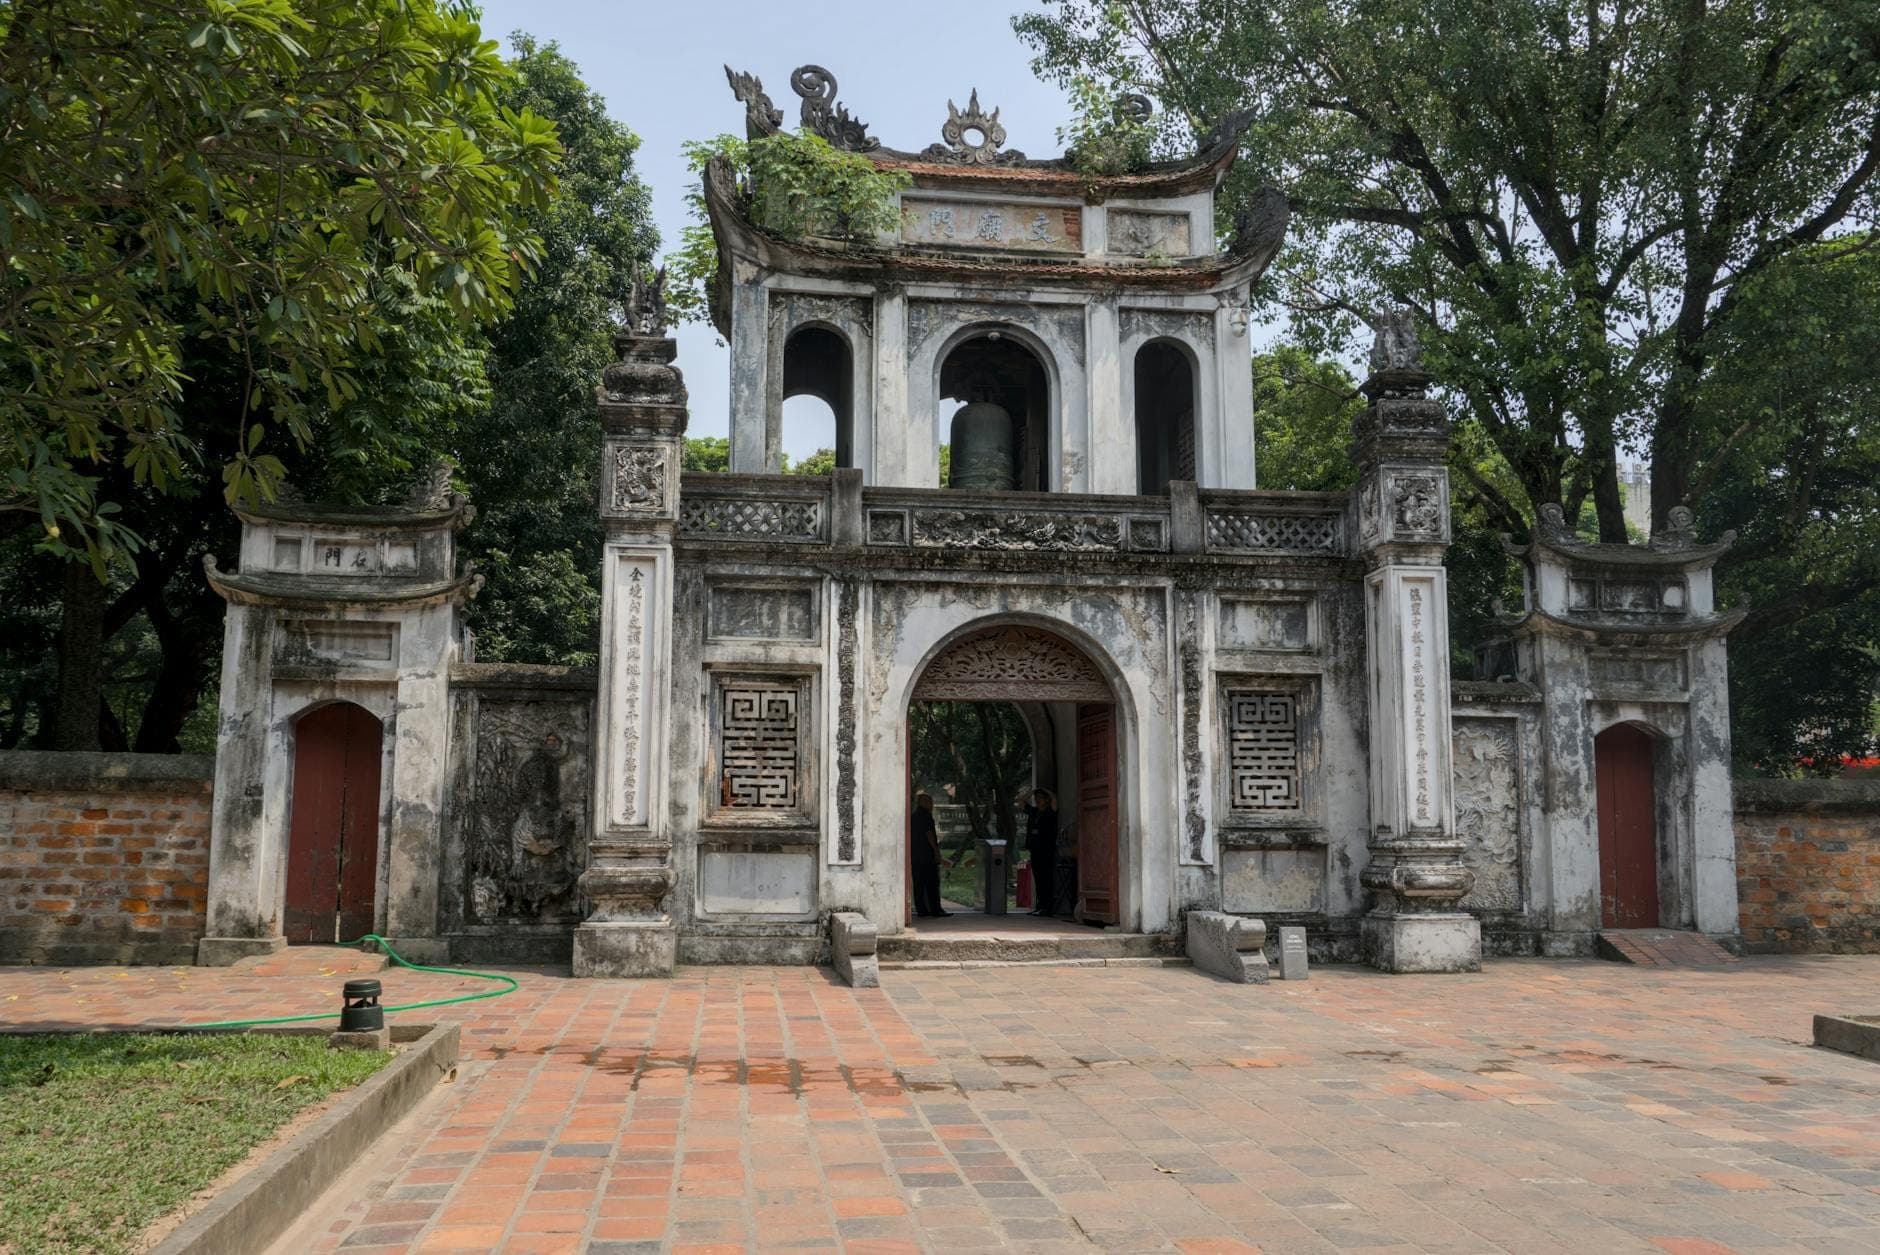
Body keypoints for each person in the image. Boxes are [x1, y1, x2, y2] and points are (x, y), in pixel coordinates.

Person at [910, 792, 949, 918]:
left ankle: (922, 909)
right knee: (932, 883)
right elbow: (929, 835)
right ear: (923, 803)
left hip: (916, 855)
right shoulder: (926, 816)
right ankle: (936, 909)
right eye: (929, 802)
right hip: (927, 855)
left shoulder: (914, 816)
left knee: (919, 884)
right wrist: (936, 851)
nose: (931, 805)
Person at [1024, 788, 1059, 916]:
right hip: (1035, 849)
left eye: (1040, 798)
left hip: (1047, 849)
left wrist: (1046, 790)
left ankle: (1047, 907)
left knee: (1046, 879)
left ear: (1046, 800)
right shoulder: (1034, 812)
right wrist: (1032, 791)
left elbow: (1055, 800)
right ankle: (1040, 905)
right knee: (1038, 879)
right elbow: (1020, 801)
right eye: (1036, 798)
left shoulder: (1050, 812)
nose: (1037, 800)